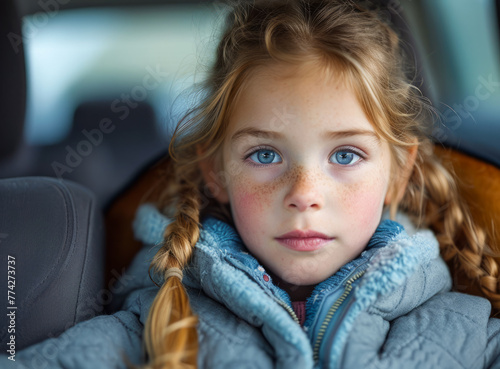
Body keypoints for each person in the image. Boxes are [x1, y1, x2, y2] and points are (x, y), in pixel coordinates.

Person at [3, 1, 500, 368]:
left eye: (345, 155)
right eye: (265, 155)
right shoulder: (157, 326)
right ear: (216, 171)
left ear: (398, 172)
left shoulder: (466, 332)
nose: (305, 192)